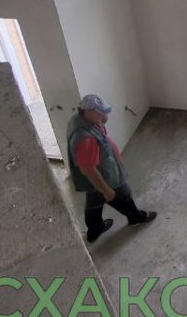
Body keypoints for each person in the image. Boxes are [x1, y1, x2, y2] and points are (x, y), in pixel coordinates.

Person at [66, 94, 156, 243]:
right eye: (100, 112)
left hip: (102, 173)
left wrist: (102, 118)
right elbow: (88, 170)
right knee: (124, 195)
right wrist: (106, 190)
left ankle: (95, 229)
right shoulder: (85, 139)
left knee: (94, 200)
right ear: (88, 111)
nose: (104, 115)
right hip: (105, 177)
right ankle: (135, 217)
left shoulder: (80, 119)